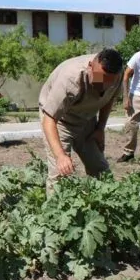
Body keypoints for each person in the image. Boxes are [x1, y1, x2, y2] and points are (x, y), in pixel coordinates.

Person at [39, 48, 124, 195]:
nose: (103, 86)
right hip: (60, 121)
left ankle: (103, 210)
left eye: (107, 82)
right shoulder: (70, 79)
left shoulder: (117, 75)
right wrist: (60, 156)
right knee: (61, 175)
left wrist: (100, 128)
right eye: (99, 79)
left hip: (87, 119)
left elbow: (108, 99)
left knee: (101, 170)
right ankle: (55, 216)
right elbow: (49, 119)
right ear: (90, 66)